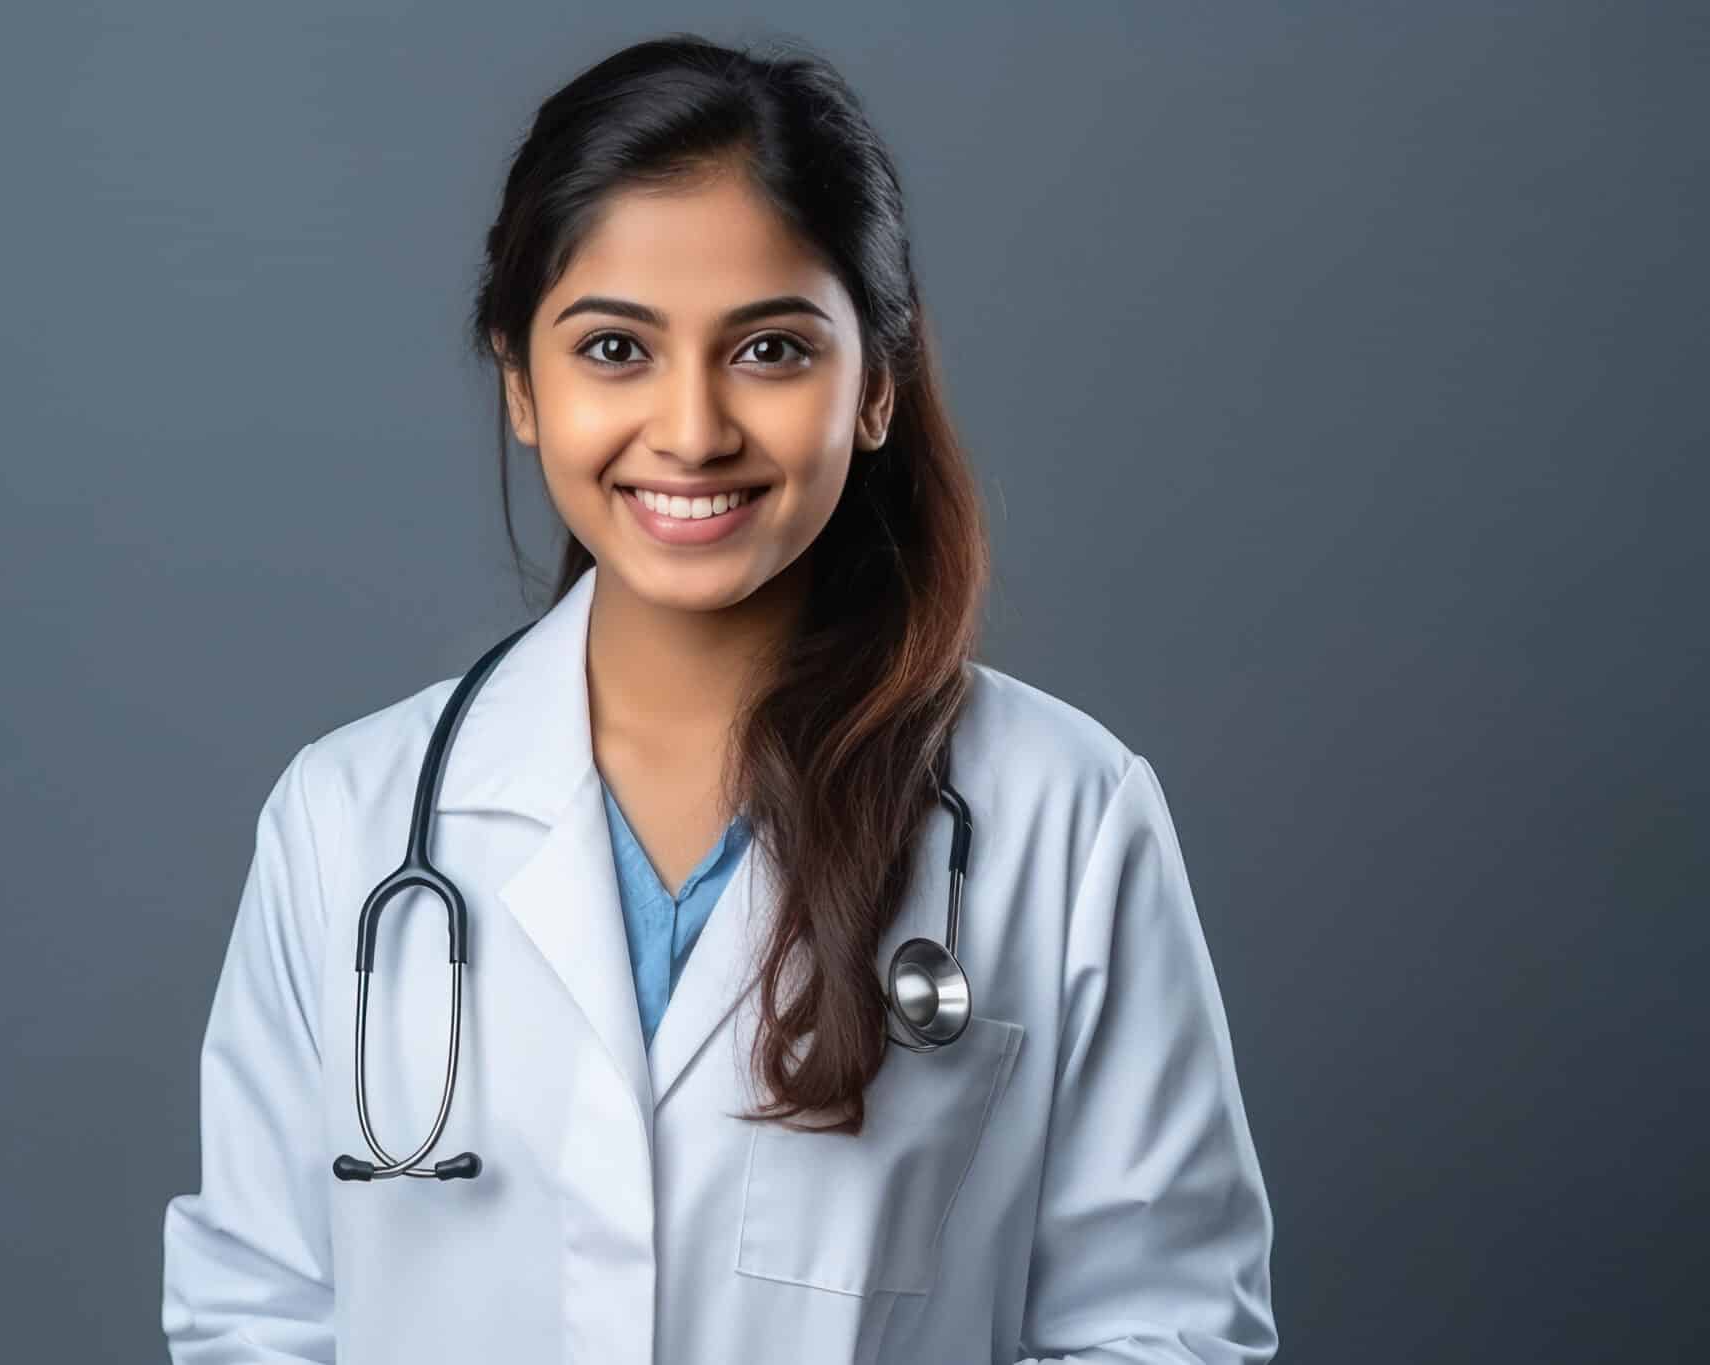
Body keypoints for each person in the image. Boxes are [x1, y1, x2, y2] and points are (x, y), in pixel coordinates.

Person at [162, 32, 1277, 1365]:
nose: (691, 429)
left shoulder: (1066, 815)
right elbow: (256, 1318)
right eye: (617, 348)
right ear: (522, 386)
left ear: (878, 388)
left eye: (769, 351)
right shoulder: (344, 821)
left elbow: (1166, 1326)